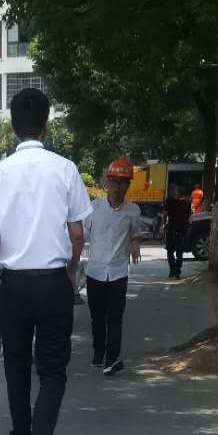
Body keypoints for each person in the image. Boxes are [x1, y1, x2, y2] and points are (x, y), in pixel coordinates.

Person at [0, 87, 90, 435]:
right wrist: (71, 269)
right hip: (52, 283)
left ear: (12, 124)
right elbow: (76, 232)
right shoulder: (65, 168)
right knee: (54, 369)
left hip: (14, 286)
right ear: (46, 122)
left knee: (16, 365)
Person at [84, 158, 142, 375]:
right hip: (95, 271)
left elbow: (135, 233)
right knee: (97, 317)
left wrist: (135, 243)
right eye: (115, 182)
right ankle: (98, 353)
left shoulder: (133, 211)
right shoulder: (94, 208)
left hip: (118, 272)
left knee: (115, 317)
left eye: (123, 182)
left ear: (128, 185)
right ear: (108, 183)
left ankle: (112, 358)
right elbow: (83, 235)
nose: (118, 187)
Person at [163, 183, 191, 280]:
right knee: (170, 251)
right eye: (176, 192)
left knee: (179, 252)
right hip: (172, 228)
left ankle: (176, 270)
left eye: (179, 192)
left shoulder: (187, 203)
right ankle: (173, 269)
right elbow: (165, 213)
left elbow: (188, 216)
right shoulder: (170, 201)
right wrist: (163, 225)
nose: (178, 194)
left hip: (181, 229)